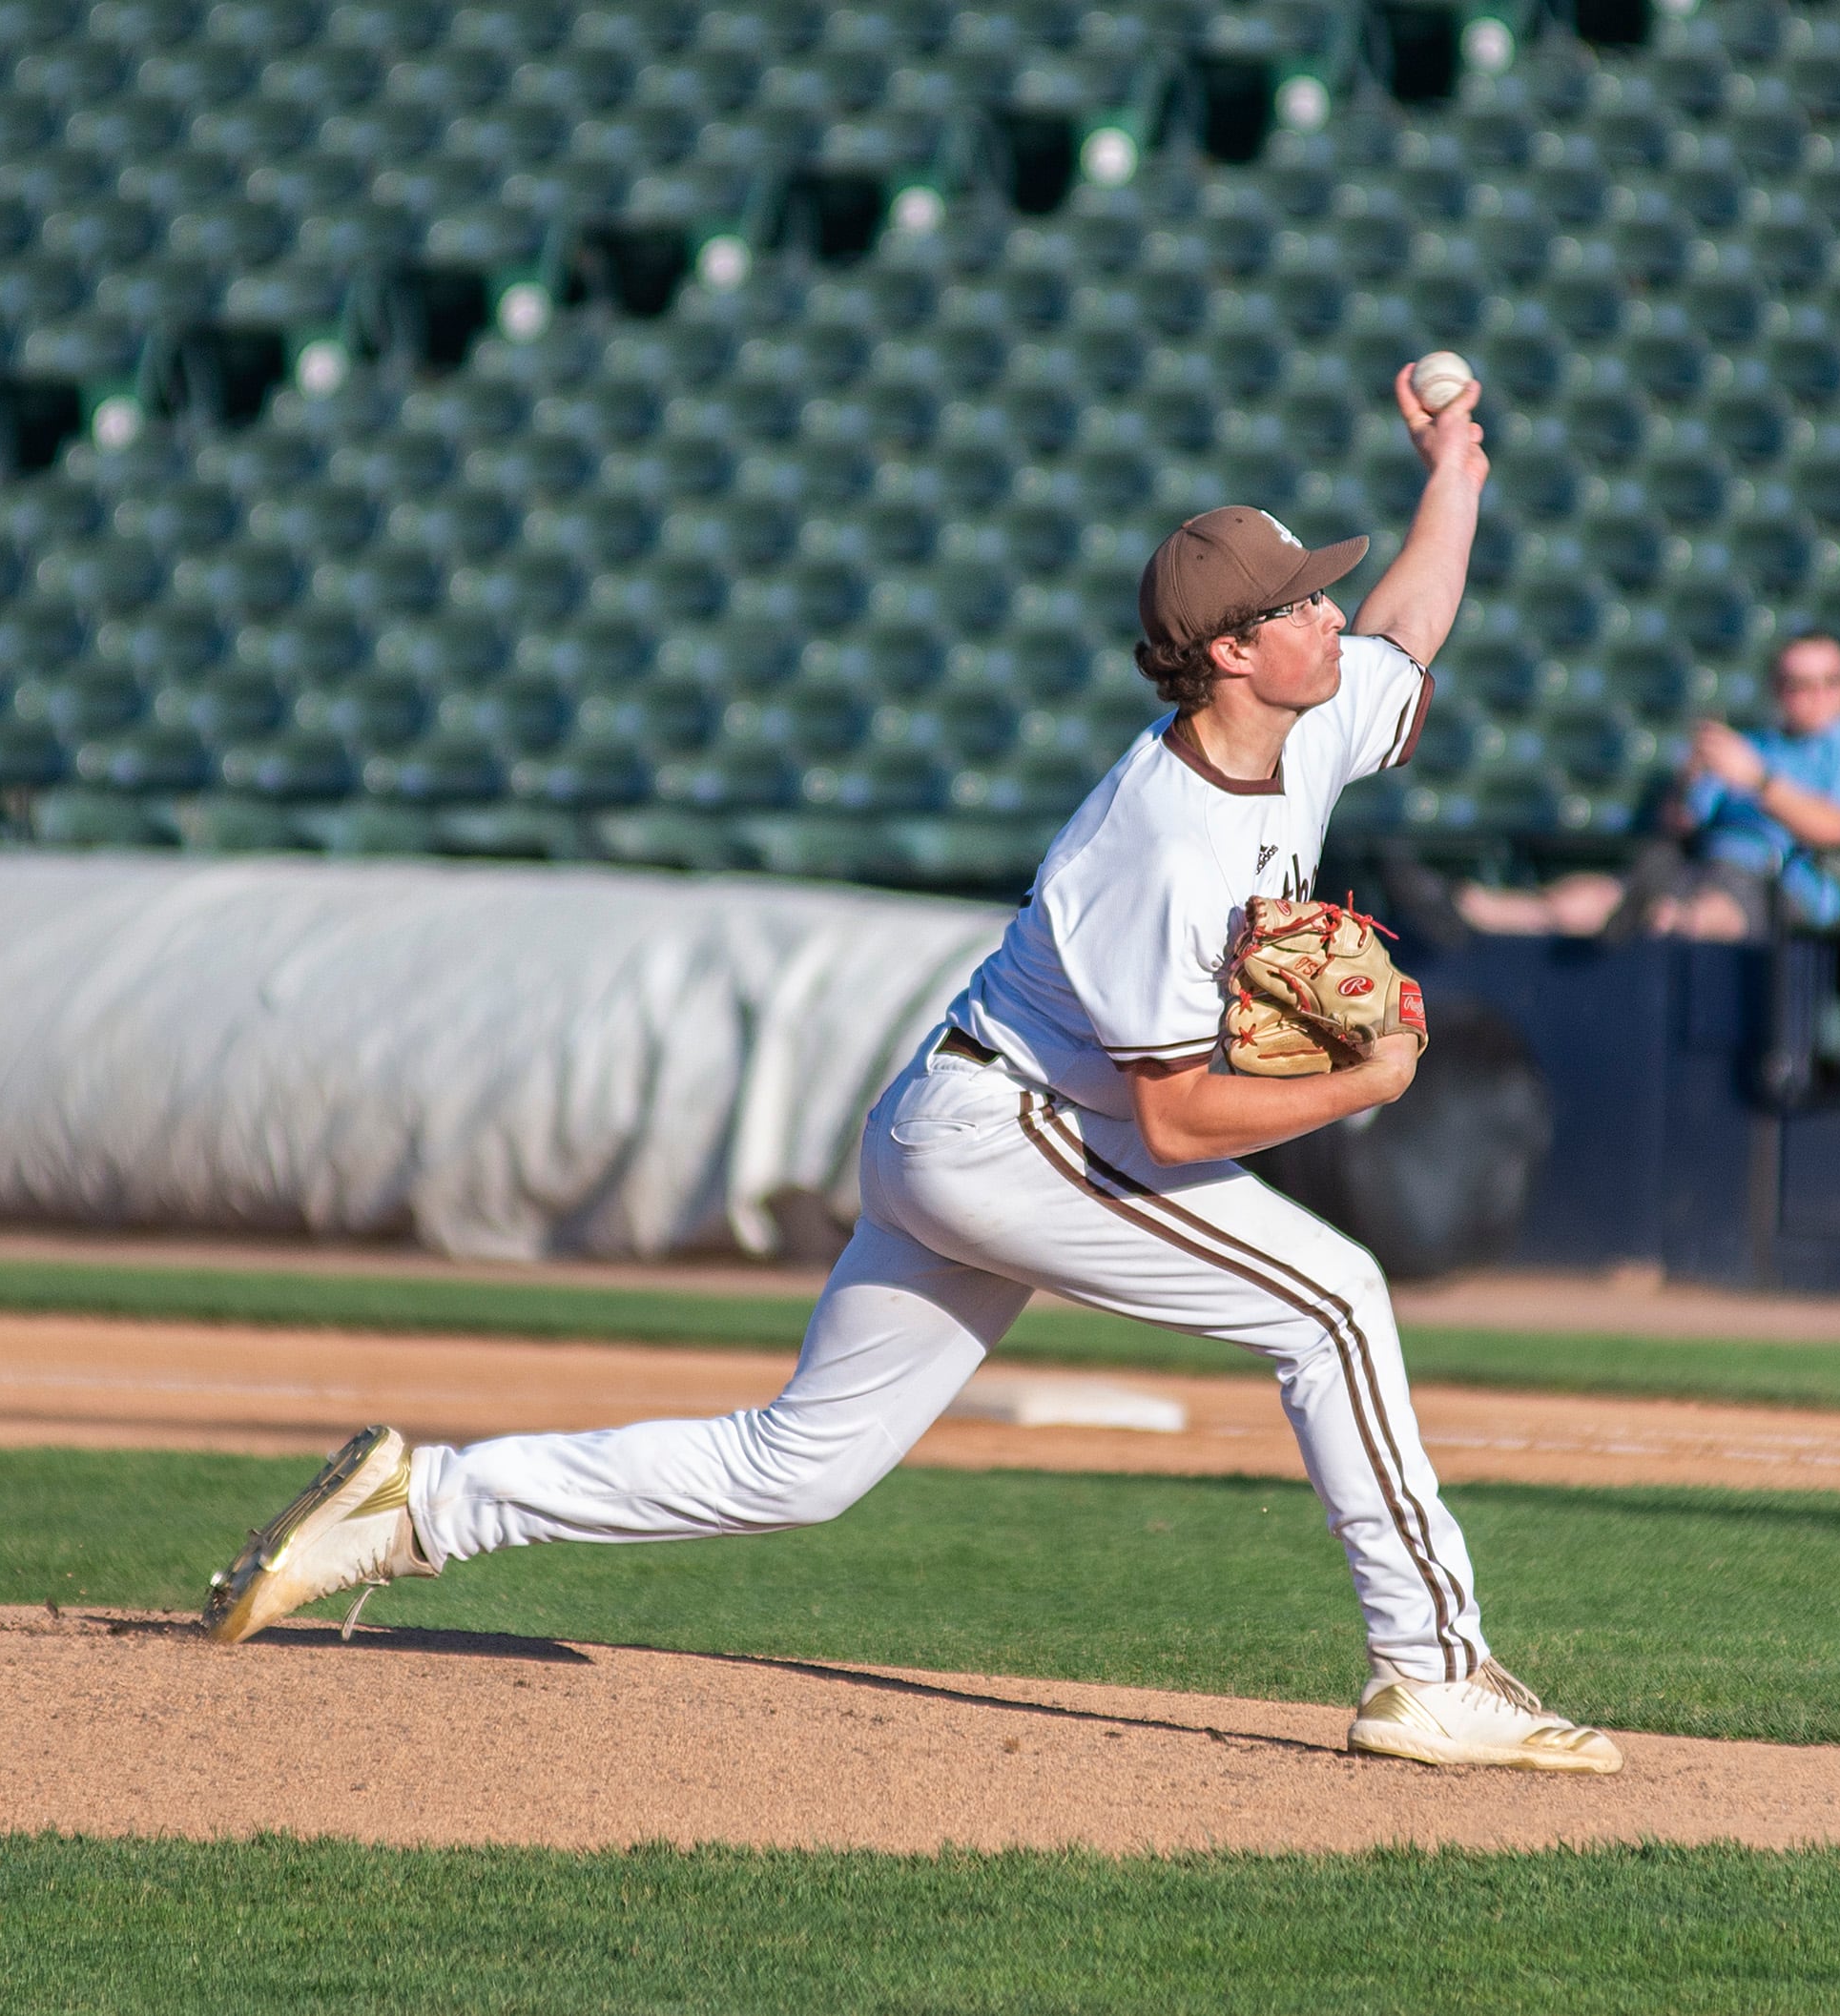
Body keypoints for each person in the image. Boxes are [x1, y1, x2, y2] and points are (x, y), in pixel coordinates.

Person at [198, 361, 1623, 1777]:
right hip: (1014, 1136)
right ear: (1234, 652)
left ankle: (423, 1502)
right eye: (1299, 599)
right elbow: (1177, 1118)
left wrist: (1454, 476)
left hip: (968, 1114)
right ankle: (1428, 1670)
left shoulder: (1296, 725)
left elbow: (1409, 628)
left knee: (796, 1465)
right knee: (1332, 1301)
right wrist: (1357, 1085)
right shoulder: (1160, 842)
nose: (1329, 612)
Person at [1444, 631, 1840, 941]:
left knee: (1701, 917)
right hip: (1701, 865)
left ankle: (1659, 922)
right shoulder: (1752, 744)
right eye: (1801, 685)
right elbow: (1680, 822)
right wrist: (1691, 778)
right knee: (1594, 901)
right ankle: (1463, 906)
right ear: (1777, 688)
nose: (1818, 696)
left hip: (1783, 885)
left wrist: (1758, 781)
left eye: (1829, 683)